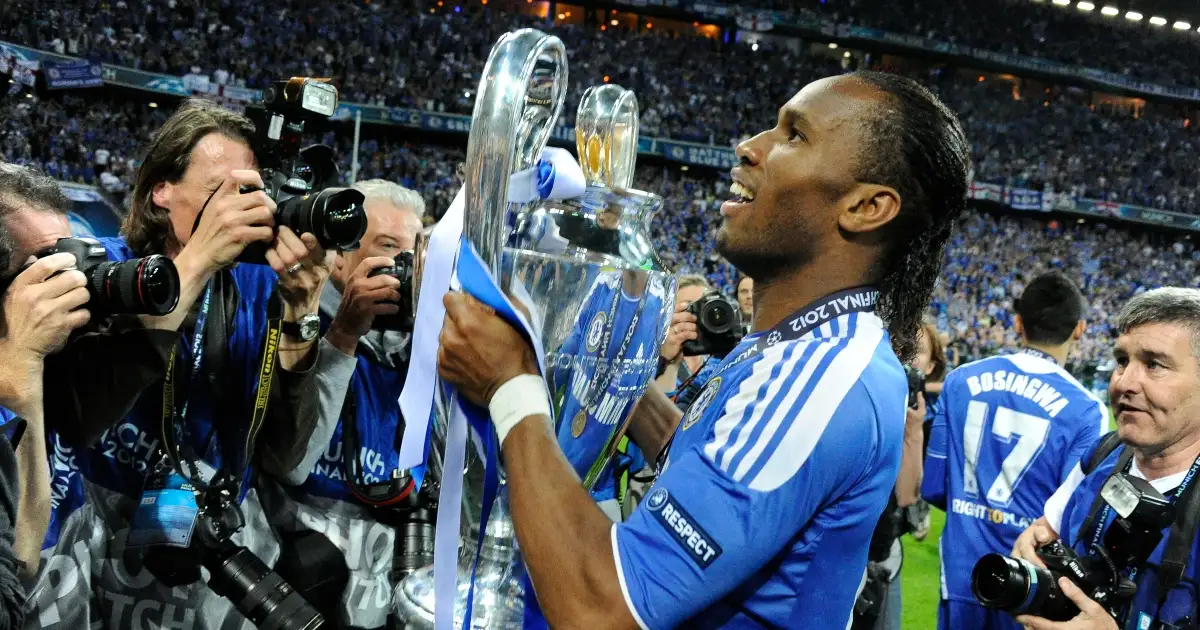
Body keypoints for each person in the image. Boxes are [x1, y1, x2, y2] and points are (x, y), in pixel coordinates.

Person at [435, 70, 971, 627]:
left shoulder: (822, 374)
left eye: (795, 135)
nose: (750, 146)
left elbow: (602, 611)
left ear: (866, 207)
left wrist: (511, 385)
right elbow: (707, 468)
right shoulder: (794, 346)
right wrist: (593, 365)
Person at [74, 99, 330, 629]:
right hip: (93, 540)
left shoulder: (261, 288)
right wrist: (193, 264)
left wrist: (303, 315)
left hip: (209, 546)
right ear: (161, 191)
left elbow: (284, 455)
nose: (236, 208)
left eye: (249, 192)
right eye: (218, 190)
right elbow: (84, 413)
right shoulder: (108, 270)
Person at [260, 179, 424, 629]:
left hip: (380, 606)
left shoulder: (420, 356)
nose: (405, 265)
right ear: (340, 259)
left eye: (416, 250)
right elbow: (290, 463)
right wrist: (346, 332)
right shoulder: (295, 327)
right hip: (290, 598)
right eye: (388, 246)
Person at [924, 271, 1108, 630]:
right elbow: (1071, 521)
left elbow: (933, 486)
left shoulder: (961, 380)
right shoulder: (1086, 410)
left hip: (963, 576)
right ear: (1080, 330)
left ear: (1017, 323)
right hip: (1031, 590)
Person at [1011, 287, 1200, 630]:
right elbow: (1043, 531)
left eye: (1154, 364)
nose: (1124, 382)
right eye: (1122, 361)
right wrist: (1032, 548)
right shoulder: (1103, 454)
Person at [654, 274, 710, 395]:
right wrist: (671, 363)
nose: (698, 315)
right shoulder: (649, 359)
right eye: (689, 307)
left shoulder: (717, 358)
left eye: (703, 305)